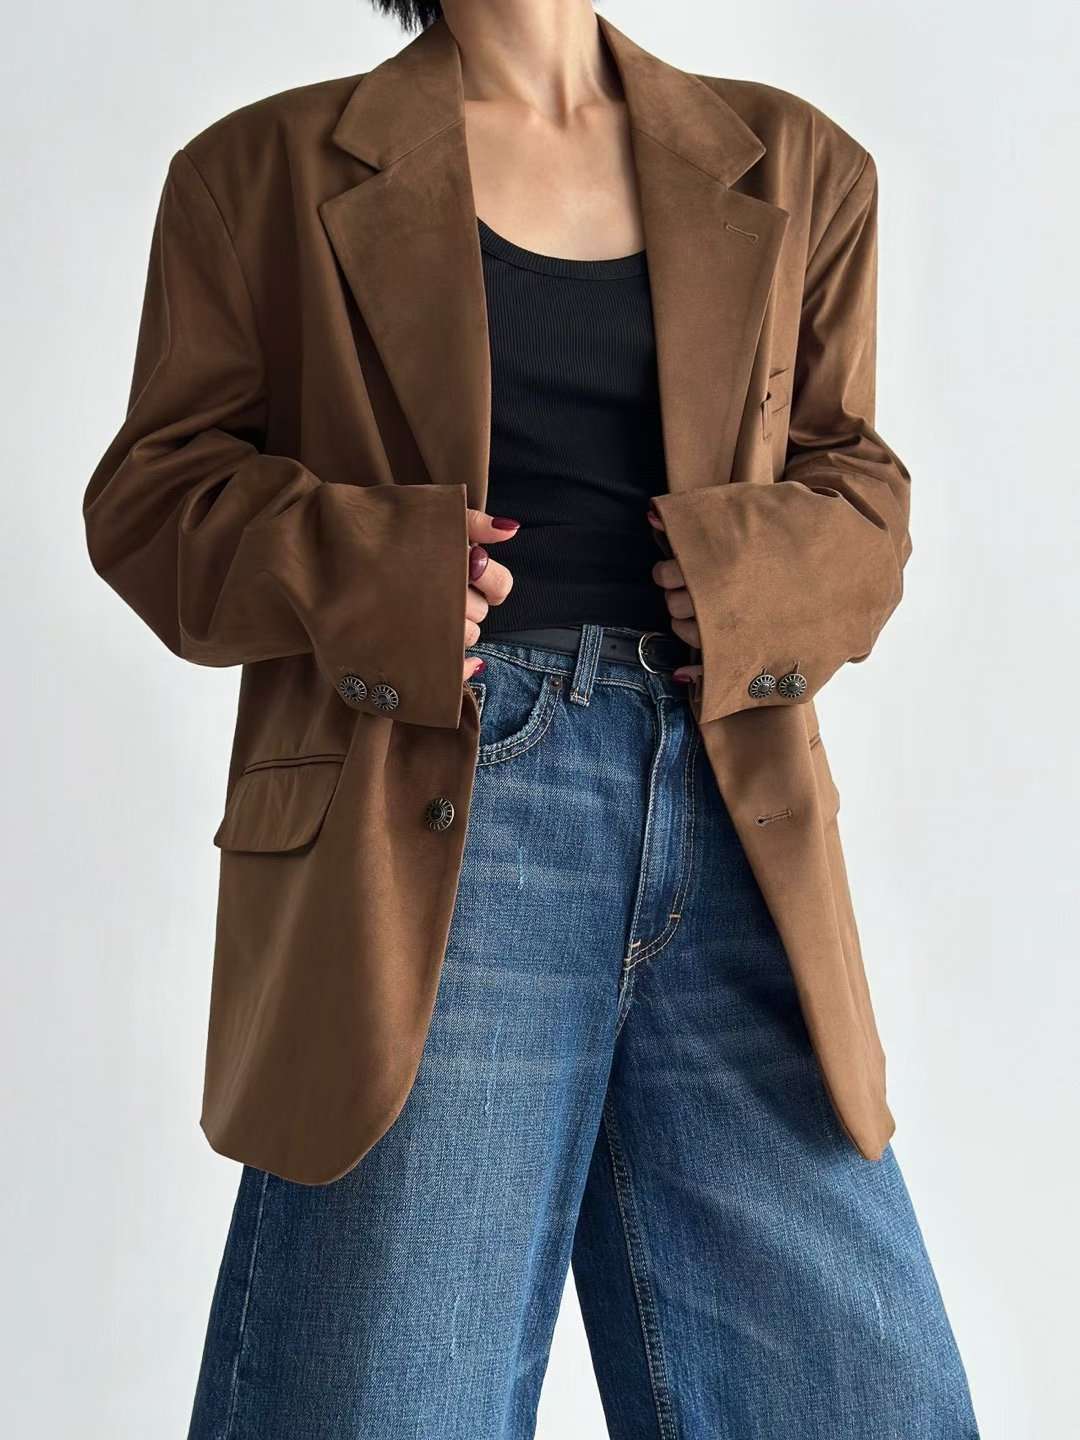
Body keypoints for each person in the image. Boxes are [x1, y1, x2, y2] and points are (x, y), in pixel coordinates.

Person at [83, 1, 981, 1435]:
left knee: (856, 1393)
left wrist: (746, 578)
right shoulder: (262, 171)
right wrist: (376, 571)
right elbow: (150, 501)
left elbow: (859, 486)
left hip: (733, 816)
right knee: (391, 1393)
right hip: (432, 816)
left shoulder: (797, 163)